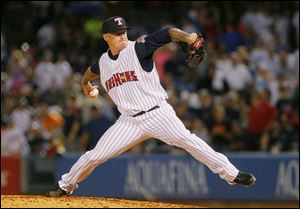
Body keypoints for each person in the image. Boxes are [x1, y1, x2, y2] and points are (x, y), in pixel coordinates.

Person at [47, 16, 256, 197]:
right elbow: (90, 72)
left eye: (123, 32)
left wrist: (189, 38)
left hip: (157, 114)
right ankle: (65, 185)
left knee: (188, 141)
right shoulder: (103, 62)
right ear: (106, 37)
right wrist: (85, 84)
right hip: (128, 121)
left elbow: (167, 33)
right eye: (116, 33)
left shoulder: (138, 48)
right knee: (95, 156)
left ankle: (232, 174)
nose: (122, 36)